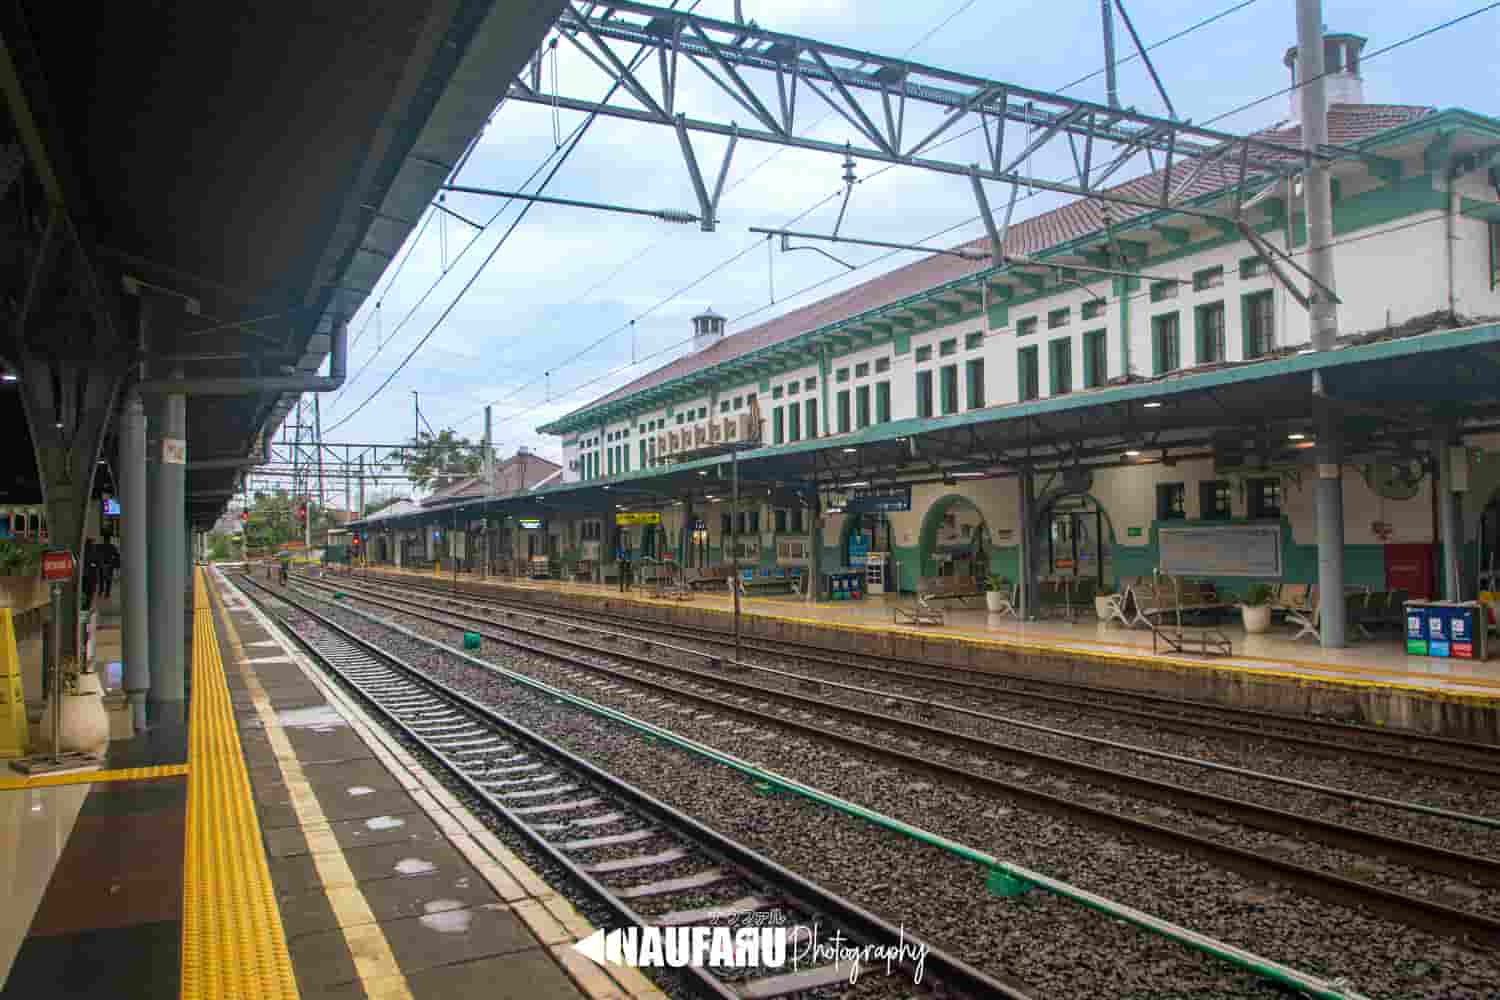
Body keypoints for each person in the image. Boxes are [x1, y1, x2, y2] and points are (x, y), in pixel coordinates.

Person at [81, 538, 100, 610]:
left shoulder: (83, 552)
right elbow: (97, 563)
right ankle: (86, 607)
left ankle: (84, 606)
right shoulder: (93, 552)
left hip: (84, 576)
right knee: (89, 592)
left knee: (85, 592)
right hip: (90, 576)